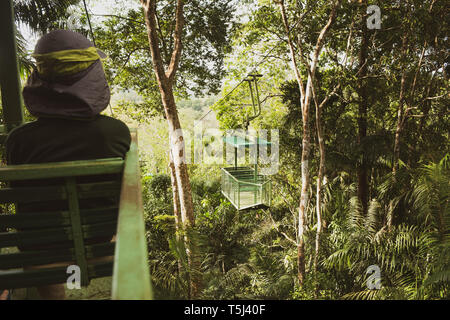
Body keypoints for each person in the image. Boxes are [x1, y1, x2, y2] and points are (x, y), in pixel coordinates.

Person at [4, 30, 131, 300]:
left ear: (40, 79)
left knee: (39, 241)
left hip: (41, 254)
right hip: (99, 248)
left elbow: (24, 200)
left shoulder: (18, 141)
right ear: (93, 78)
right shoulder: (116, 133)